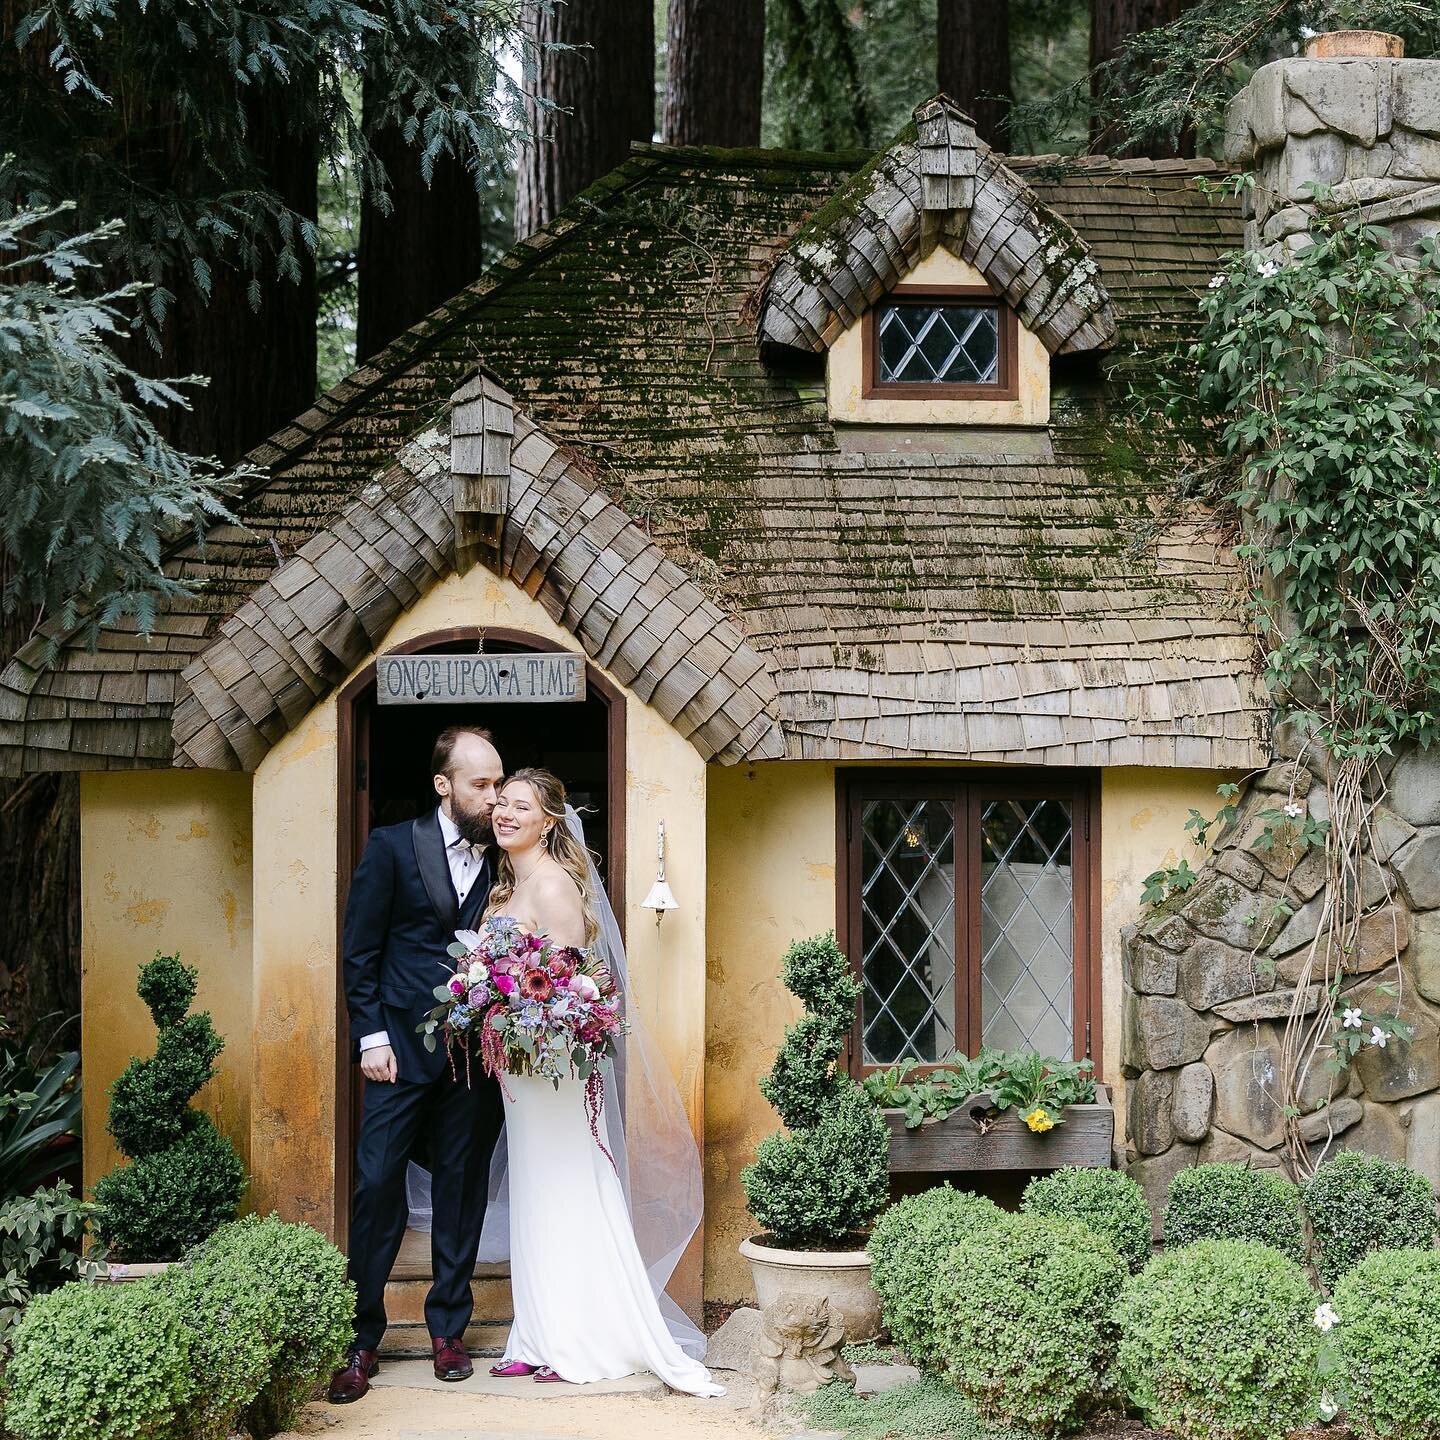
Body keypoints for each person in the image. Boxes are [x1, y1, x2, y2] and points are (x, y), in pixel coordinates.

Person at [480, 767, 725, 1397]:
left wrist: (518, 1017)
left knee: (569, 1185)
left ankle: (575, 1335)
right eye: (501, 804)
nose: (504, 813)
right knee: (536, 1190)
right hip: (521, 1070)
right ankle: (534, 1334)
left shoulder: (556, 885)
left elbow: (567, 986)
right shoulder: (511, 881)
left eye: (520, 806)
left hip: (554, 1068)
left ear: (550, 820)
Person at [329, 726, 506, 1403]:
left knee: (461, 1190)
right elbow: (360, 949)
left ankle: (448, 1329)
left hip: (475, 1060)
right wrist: (370, 1037)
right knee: (377, 1186)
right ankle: (360, 1336)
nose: (493, 798)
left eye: (497, 784)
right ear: (445, 785)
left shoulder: (508, 858)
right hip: (398, 1053)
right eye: (480, 785)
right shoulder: (391, 847)